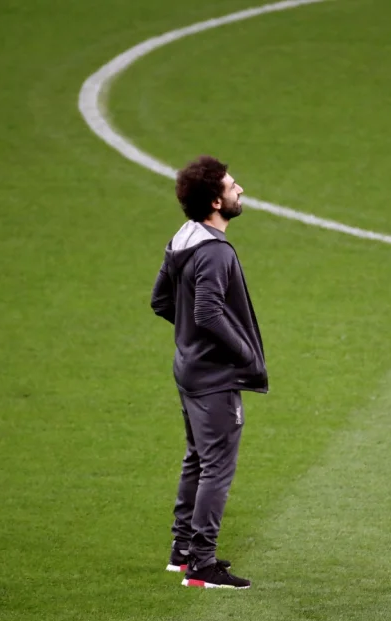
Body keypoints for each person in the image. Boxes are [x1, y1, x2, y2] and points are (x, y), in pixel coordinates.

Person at [150, 155, 267, 590]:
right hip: (214, 377)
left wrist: (190, 342)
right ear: (216, 200)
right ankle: (201, 564)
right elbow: (206, 311)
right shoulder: (215, 251)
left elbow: (161, 302)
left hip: (189, 370)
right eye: (234, 186)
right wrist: (244, 355)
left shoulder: (182, 238)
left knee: (197, 458)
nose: (240, 191)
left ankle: (182, 551)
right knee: (216, 466)